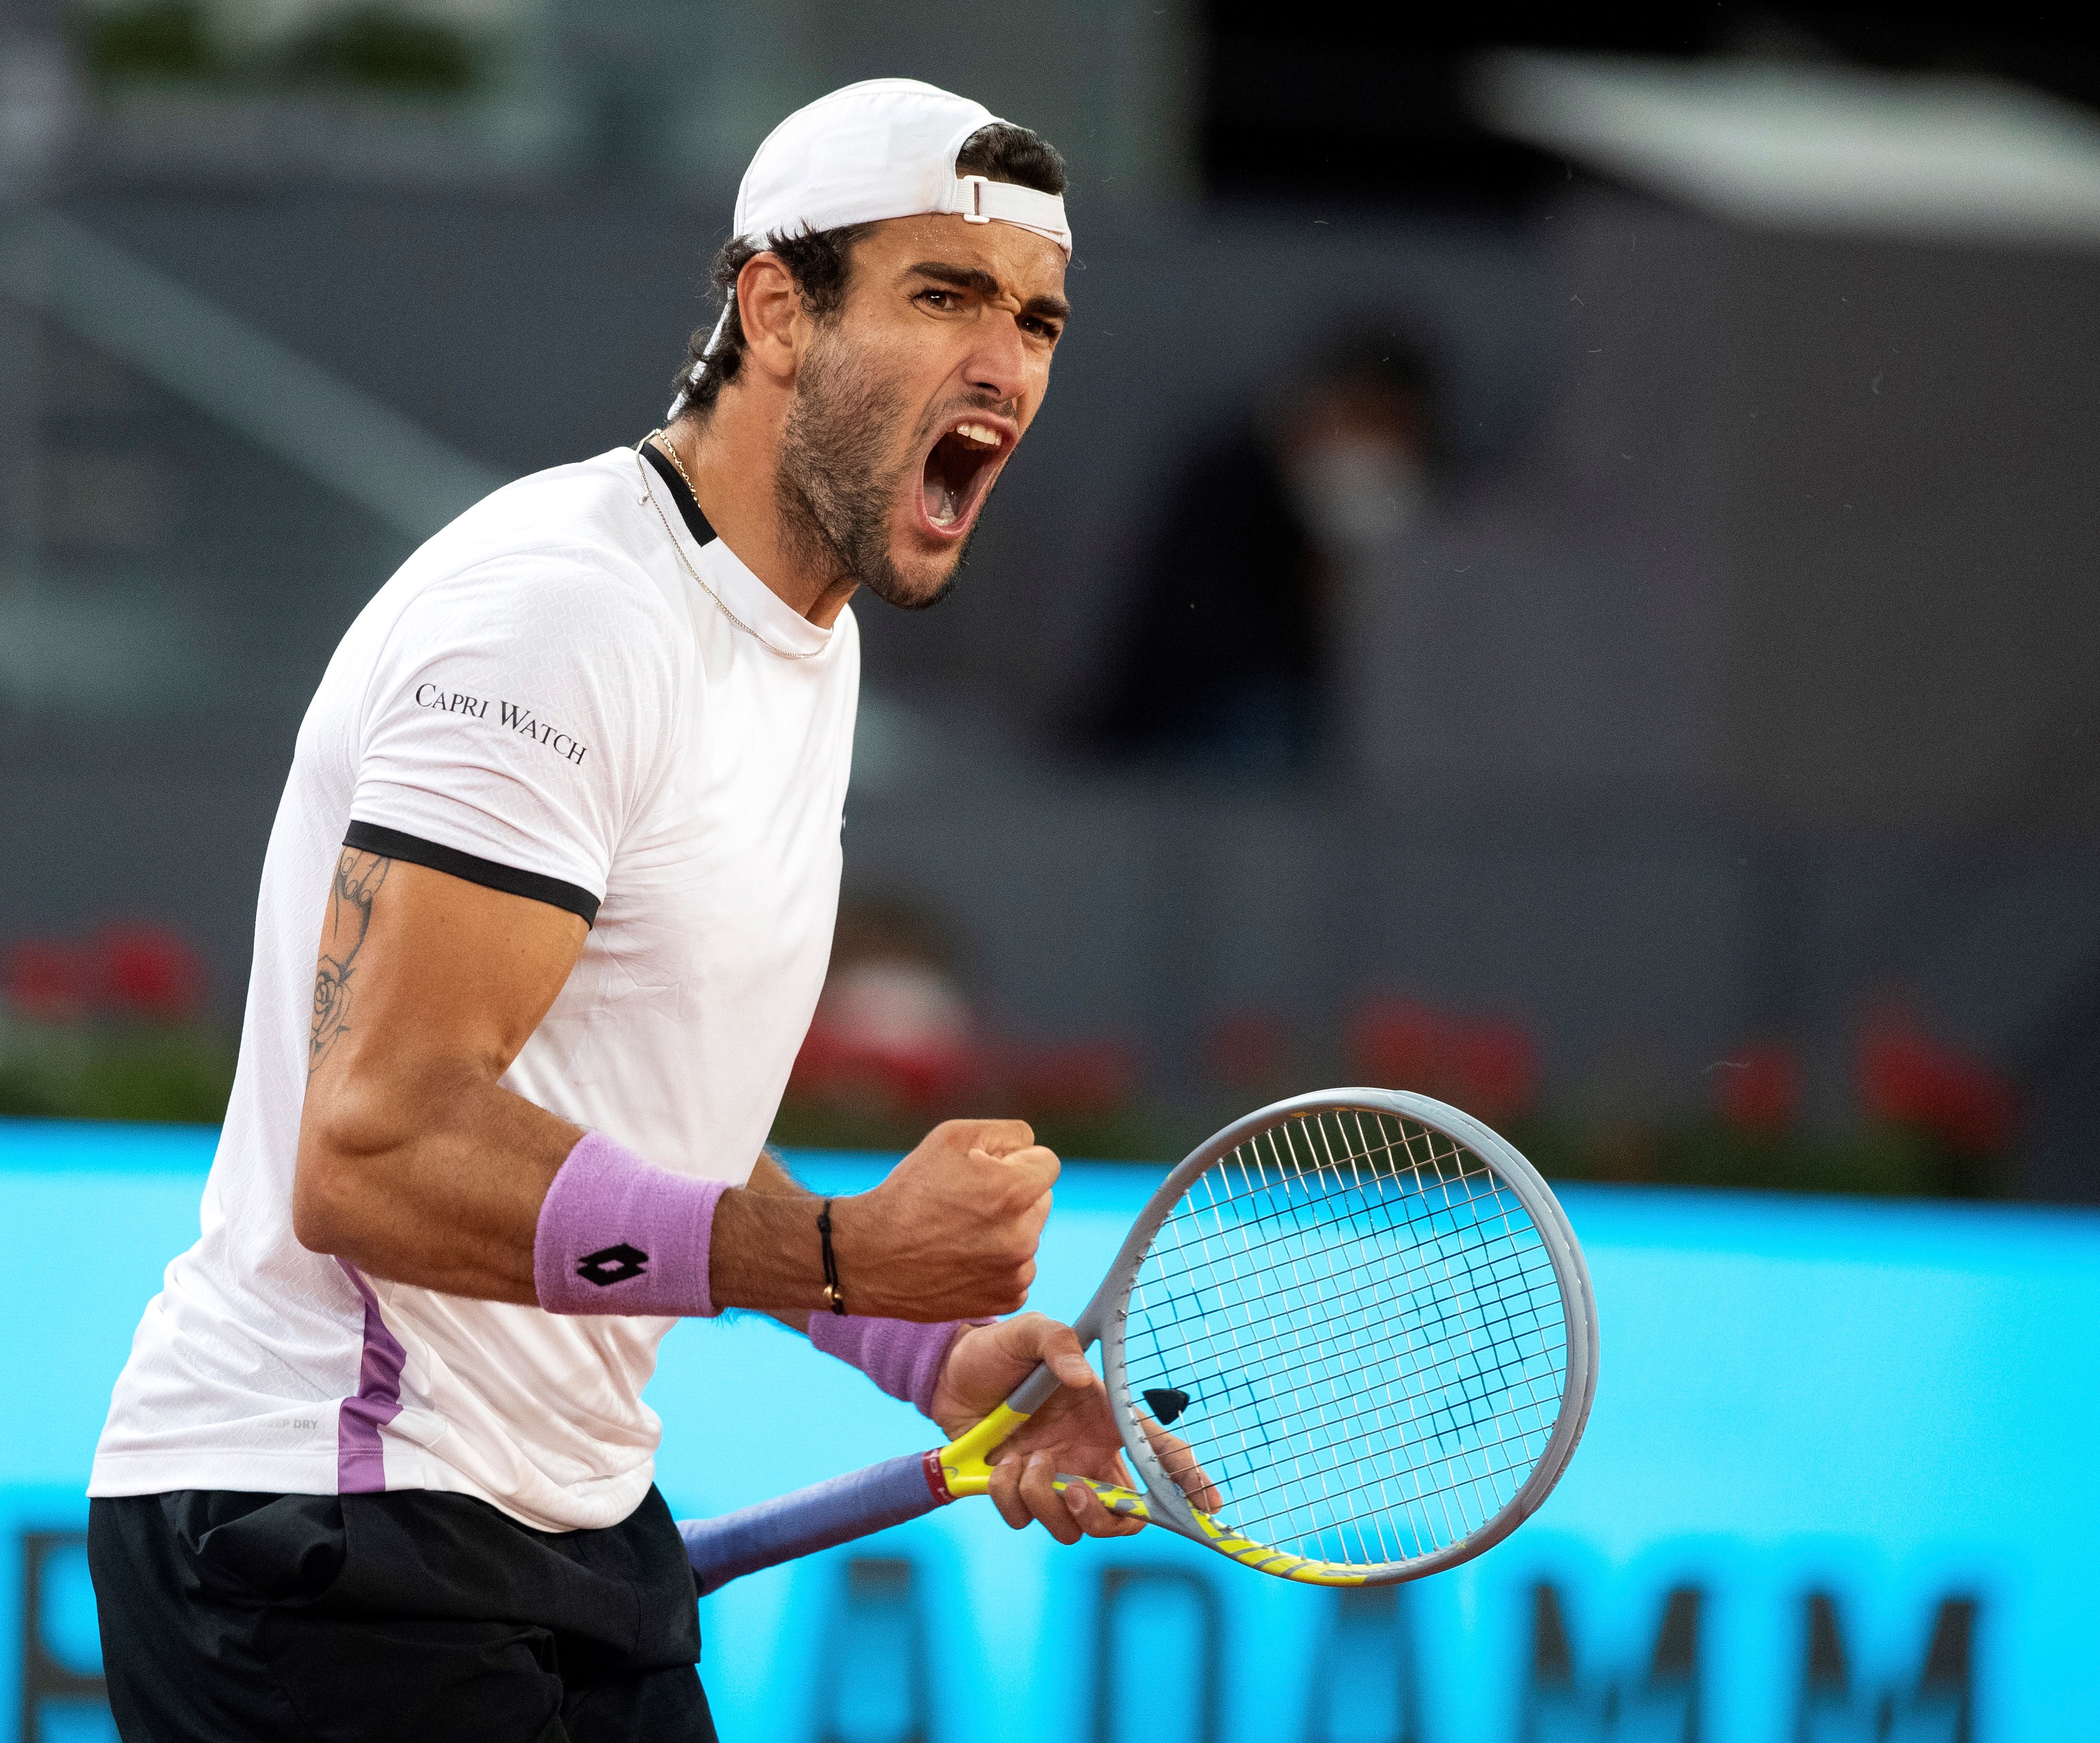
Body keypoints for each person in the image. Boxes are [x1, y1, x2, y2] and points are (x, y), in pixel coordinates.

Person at [85, 78, 1143, 1742]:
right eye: (944, 296)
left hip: (561, 1531)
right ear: (775, 308)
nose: (1004, 365)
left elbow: (636, 1114)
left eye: (1036, 318)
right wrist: (850, 1245)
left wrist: (907, 1347)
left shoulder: (806, 634)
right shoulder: (561, 618)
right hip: (325, 1520)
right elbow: (375, 1149)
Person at [1091, 323, 1437, 771]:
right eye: (1360, 418)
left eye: (1390, 428)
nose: (1369, 444)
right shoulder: (1229, 482)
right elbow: (1191, 631)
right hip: (1194, 723)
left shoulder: (1424, 510)